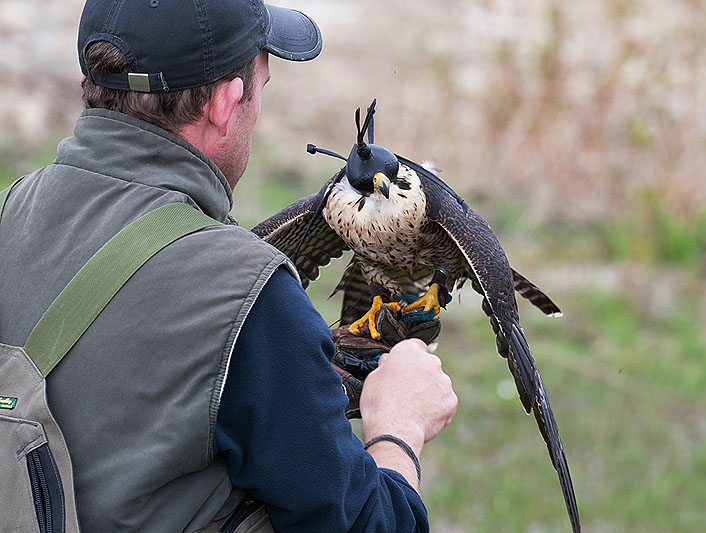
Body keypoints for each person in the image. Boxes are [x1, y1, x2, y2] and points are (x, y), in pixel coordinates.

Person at [0, 1, 457, 531]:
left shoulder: (14, 211)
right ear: (224, 103)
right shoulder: (248, 295)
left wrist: (294, 385)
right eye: (262, 86)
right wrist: (398, 426)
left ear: (91, 79)